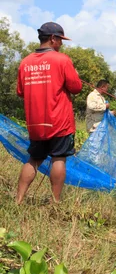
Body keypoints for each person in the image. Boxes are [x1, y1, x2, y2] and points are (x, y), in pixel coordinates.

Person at [16, 22, 82, 204]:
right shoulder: (62, 60)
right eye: (60, 39)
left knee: (34, 159)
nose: (61, 43)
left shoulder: (25, 62)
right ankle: (55, 202)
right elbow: (76, 88)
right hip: (60, 122)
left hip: (36, 123)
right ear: (53, 38)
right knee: (58, 158)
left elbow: (21, 92)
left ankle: (19, 200)